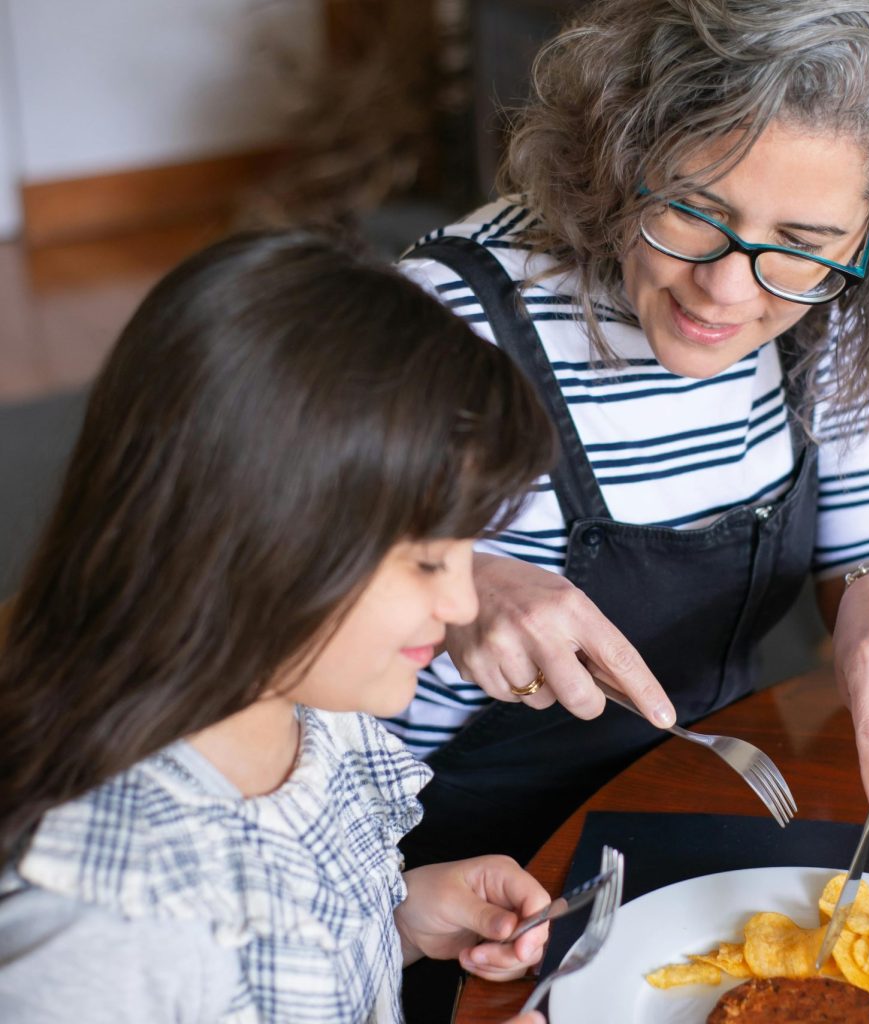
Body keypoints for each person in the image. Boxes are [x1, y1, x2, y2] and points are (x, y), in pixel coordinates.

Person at [387, 0, 869, 871]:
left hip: (702, 798)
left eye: (803, 242)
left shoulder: (831, 305)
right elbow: (269, 608)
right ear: (624, 149)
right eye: (696, 211)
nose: (728, 293)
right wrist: (459, 581)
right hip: (436, 851)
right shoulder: (456, 315)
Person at [0, 230, 558, 1024]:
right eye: (430, 562)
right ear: (263, 538)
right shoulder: (101, 932)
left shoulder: (304, 717)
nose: (465, 605)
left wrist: (399, 921)